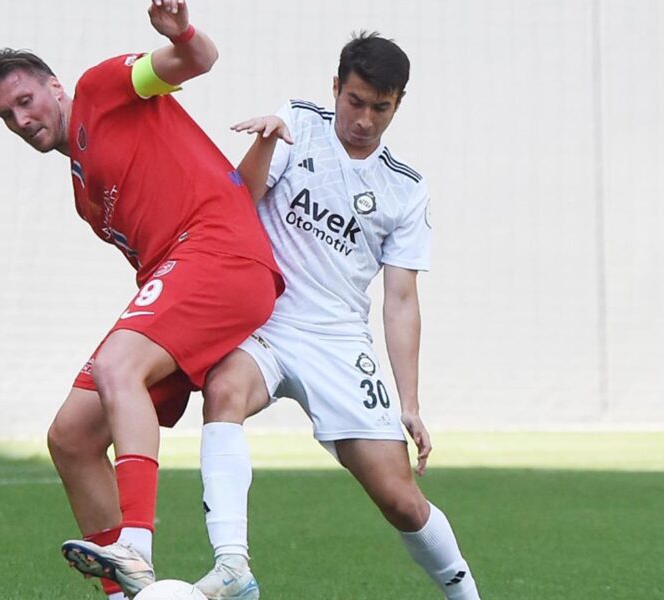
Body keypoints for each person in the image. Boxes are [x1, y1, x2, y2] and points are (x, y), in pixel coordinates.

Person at [0, 1, 283, 598]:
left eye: (26, 101)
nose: (21, 119)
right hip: (185, 277)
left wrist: (181, 33)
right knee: (71, 438)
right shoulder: (84, 194)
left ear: (55, 88)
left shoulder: (102, 89)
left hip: (220, 254)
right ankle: (128, 593)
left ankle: (135, 546)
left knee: (119, 365)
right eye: (7, 115)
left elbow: (198, 59)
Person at [192, 32, 481, 599]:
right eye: (355, 102)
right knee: (223, 390)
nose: (365, 120)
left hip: (339, 342)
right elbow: (237, 205)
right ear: (335, 89)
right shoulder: (296, 125)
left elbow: (401, 299)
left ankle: (465, 595)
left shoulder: (405, 189)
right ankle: (232, 568)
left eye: (381, 107)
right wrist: (264, 145)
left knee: (401, 500)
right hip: (268, 325)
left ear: (398, 104)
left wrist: (411, 403)